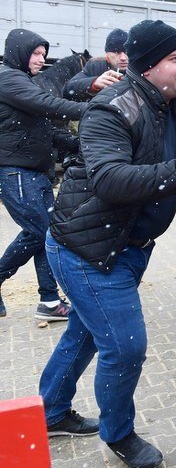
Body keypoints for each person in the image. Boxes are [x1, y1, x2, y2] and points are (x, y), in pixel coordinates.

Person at [38, 19, 176, 468]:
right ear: (147, 67)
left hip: (125, 247)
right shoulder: (111, 110)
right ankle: (119, 433)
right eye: (175, 59)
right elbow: (108, 180)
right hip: (86, 251)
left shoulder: (171, 98)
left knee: (85, 334)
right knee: (124, 346)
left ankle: (51, 411)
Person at [0, 28, 86, 320]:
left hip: (35, 173)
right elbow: (48, 107)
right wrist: (92, 109)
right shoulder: (8, 79)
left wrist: (77, 143)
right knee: (41, 233)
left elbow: (45, 129)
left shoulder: (25, 81)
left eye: (43, 54)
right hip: (16, 173)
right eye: (36, 54)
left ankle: (49, 302)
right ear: (20, 53)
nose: (41, 60)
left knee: (47, 233)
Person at [62, 28, 129, 101]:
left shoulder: (141, 69)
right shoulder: (95, 66)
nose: (123, 58)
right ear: (107, 54)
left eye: (127, 52)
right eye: (117, 52)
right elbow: (68, 89)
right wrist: (93, 83)